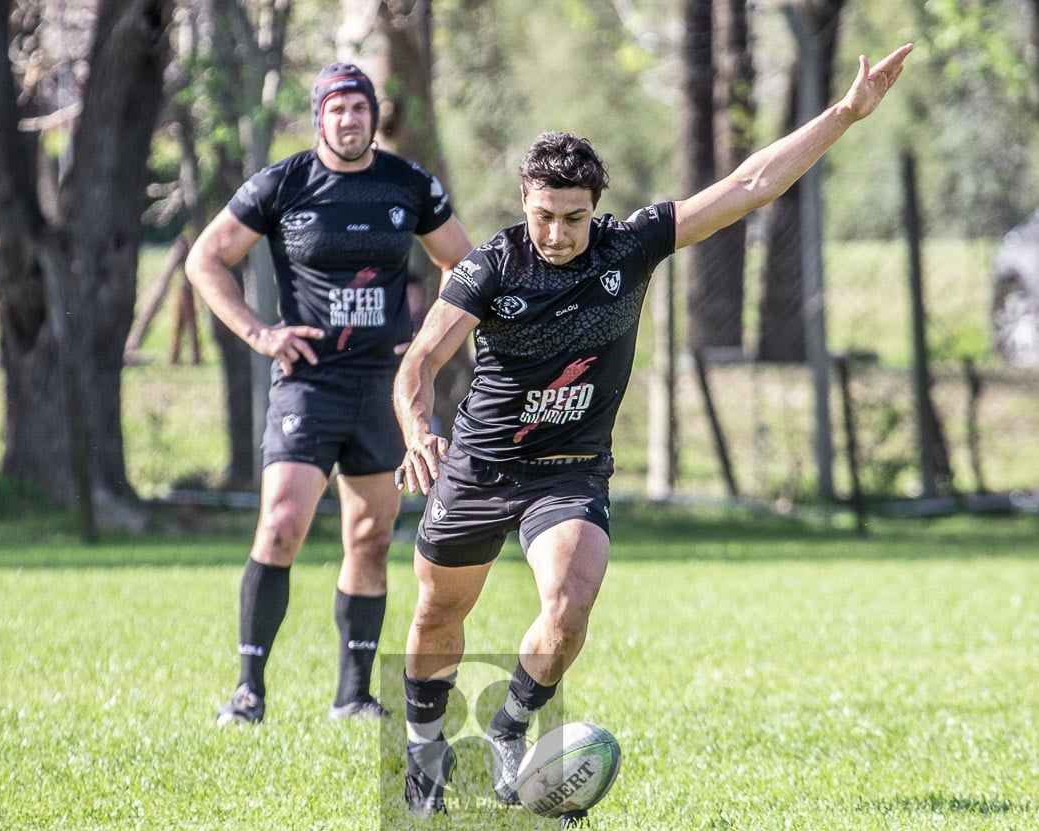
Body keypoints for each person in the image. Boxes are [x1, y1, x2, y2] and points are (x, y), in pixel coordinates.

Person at [393, 44, 913, 825]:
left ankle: (508, 728)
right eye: (543, 216)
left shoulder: (630, 246)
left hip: (569, 468)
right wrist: (417, 429)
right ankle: (424, 750)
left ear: (595, 208)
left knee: (568, 606)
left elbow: (750, 184)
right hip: (479, 464)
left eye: (573, 217)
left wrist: (844, 113)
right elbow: (421, 359)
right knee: (438, 615)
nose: (557, 232)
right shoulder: (492, 266)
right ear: (524, 200)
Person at [185, 62, 472, 725]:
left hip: (382, 387)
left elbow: (461, 261)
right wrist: (259, 332)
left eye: (359, 107)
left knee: (370, 538)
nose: (349, 119)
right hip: (308, 382)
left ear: (374, 116)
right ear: (320, 118)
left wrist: (424, 343)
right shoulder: (283, 183)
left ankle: (354, 695)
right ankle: (248, 691)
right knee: (281, 525)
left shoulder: (408, 184)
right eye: (337, 108)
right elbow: (206, 258)